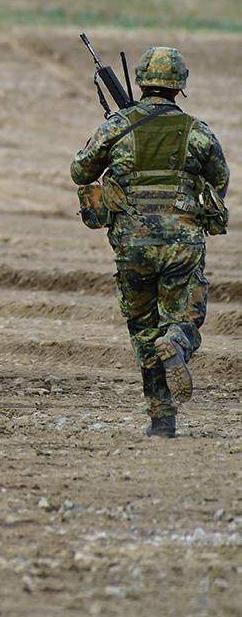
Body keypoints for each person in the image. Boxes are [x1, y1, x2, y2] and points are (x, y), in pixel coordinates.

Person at [72, 46, 228, 438]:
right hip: (182, 244)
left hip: (132, 245)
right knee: (184, 317)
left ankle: (162, 416)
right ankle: (176, 341)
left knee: (143, 327)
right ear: (180, 88)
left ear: (141, 83)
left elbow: (79, 171)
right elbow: (219, 180)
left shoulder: (118, 127)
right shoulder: (197, 131)